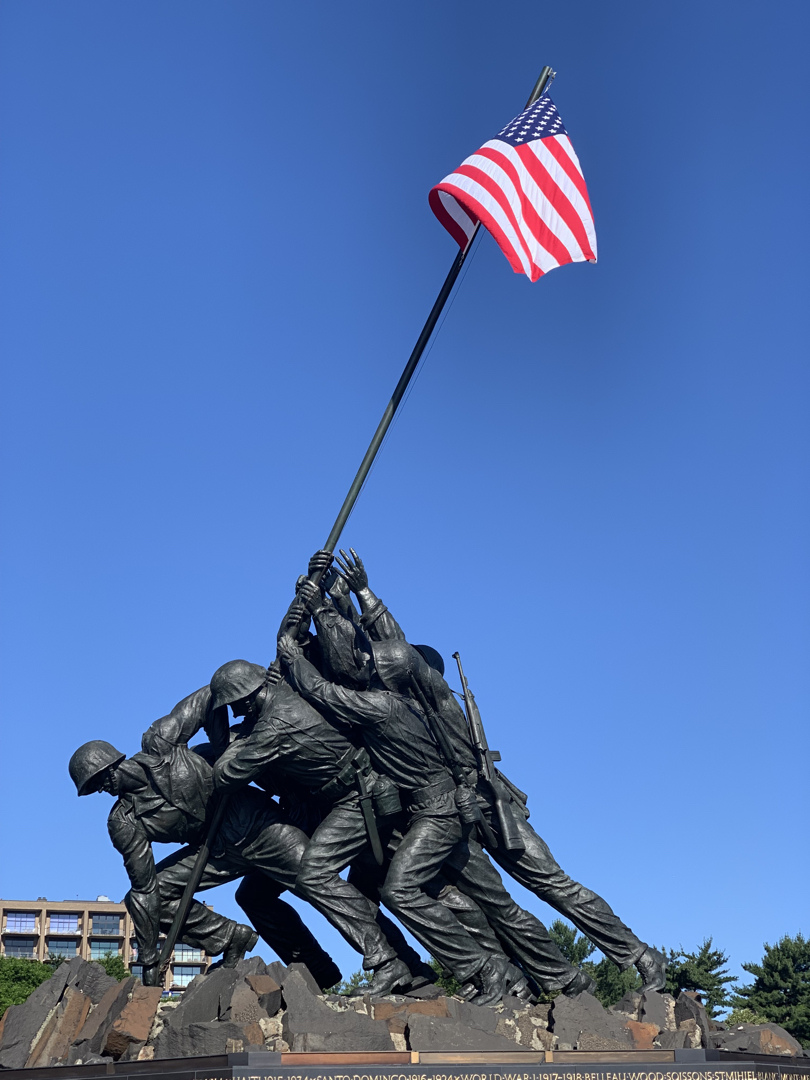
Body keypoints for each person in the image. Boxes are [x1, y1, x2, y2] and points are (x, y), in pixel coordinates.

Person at [314, 547, 668, 993]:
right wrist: (338, 598)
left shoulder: (438, 700)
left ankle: (638, 956)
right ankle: (549, 980)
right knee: (493, 905)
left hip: (485, 801)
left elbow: (389, 650)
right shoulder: (400, 703)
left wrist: (360, 595)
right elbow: (359, 658)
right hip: (449, 812)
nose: (384, 666)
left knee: (553, 885)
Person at [277, 629, 578, 1005]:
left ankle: (488, 969)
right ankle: (551, 973)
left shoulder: (382, 707)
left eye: (372, 660)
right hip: (434, 811)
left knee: (402, 892)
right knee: (491, 903)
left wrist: (294, 660)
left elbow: (324, 692)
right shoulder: (410, 706)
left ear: (391, 677)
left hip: (437, 814)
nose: (364, 663)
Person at [68, 684, 341, 988]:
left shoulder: (161, 741)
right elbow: (145, 889)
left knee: (318, 882)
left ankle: (388, 958)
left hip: (255, 824)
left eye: (100, 780)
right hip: (216, 851)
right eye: (95, 788)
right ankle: (231, 938)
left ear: (112, 764)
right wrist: (149, 958)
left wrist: (223, 751)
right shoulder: (123, 821)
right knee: (151, 895)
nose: (103, 788)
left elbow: (210, 697)